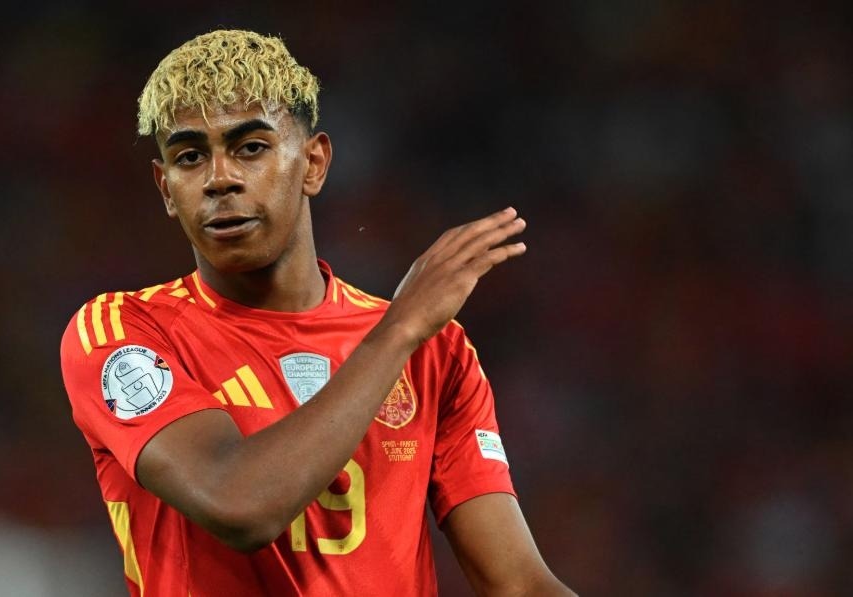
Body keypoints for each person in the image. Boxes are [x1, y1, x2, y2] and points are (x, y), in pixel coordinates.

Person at [60, 29, 575, 596]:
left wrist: (403, 332)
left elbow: (520, 585)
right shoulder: (123, 333)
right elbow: (238, 505)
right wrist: (398, 330)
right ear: (165, 188)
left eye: (250, 148)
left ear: (313, 163)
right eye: (190, 157)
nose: (219, 179)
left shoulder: (436, 350)